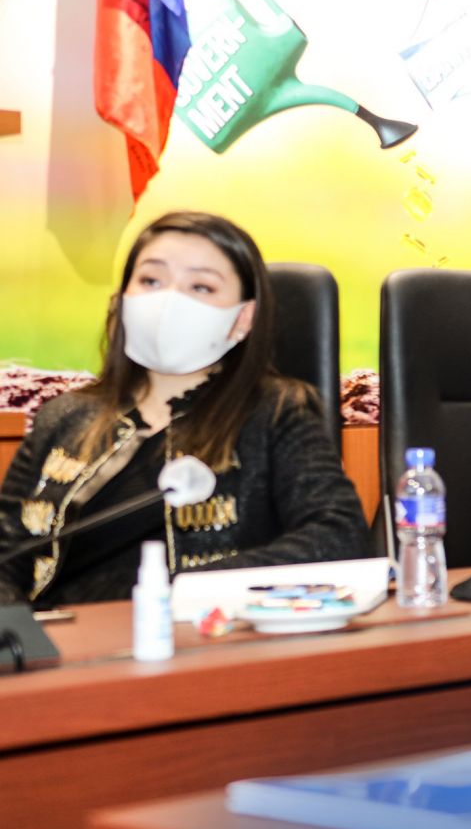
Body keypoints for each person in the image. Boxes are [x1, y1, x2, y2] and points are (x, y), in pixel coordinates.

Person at [0, 211, 368, 608]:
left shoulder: (277, 412)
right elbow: (6, 554)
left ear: (242, 318)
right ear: (122, 299)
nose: (169, 301)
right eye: (150, 281)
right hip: (57, 636)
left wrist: (182, 592)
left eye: (201, 286)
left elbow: (338, 535)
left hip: (198, 632)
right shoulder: (62, 417)